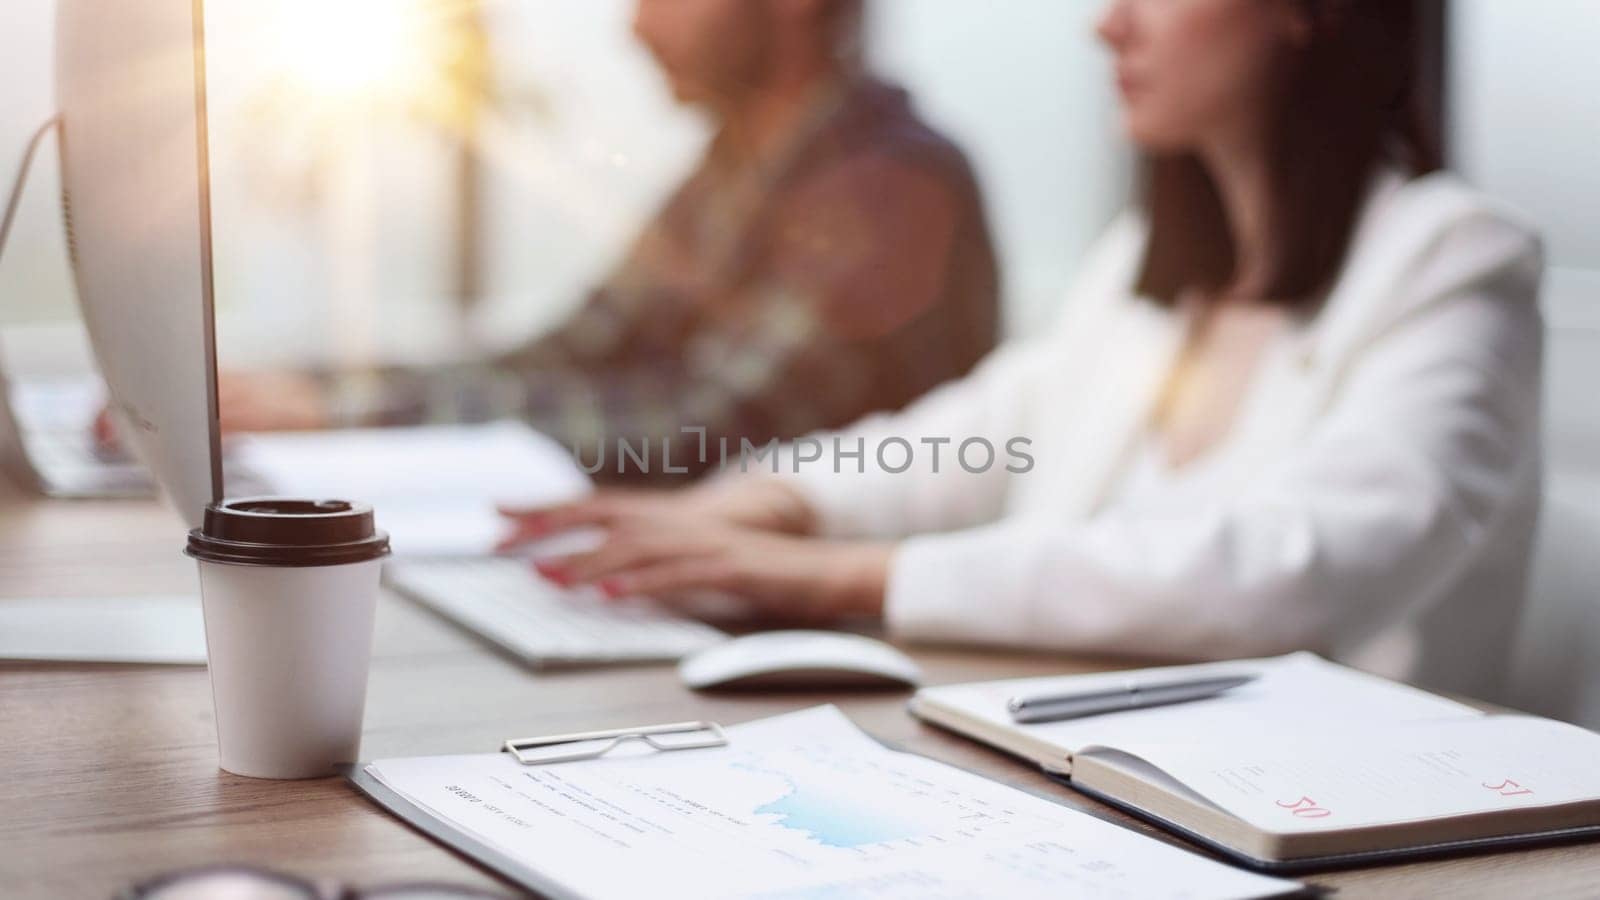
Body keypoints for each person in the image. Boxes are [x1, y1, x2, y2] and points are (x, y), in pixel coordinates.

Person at [502, 0, 1545, 698]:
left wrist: (830, 577)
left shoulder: (1454, 261)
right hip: (1088, 770)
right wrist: (768, 504)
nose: (1108, 25)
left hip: (1342, 835)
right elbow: (971, 438)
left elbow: (1291, 572)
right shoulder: (1150, 269)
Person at [216, 0, 1000, 482]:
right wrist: (313, 387)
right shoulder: (731, 169)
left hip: (837, 656)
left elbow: (698, 433)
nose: (636, 24)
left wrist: (354, 414)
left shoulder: (892, 187)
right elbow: (571, 348)